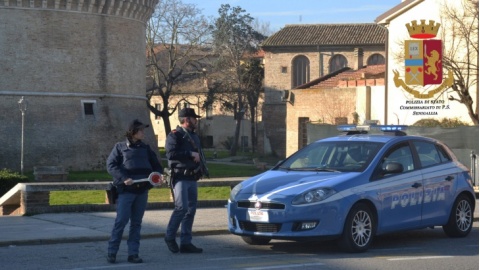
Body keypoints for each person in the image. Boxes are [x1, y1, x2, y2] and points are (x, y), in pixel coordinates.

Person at [106, 119, 163, 264]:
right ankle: (112, 252)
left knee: (136, 223)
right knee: (121, 221)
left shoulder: (146, 148)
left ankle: (133, 254)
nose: (143, 133)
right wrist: (124, 178)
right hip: (126, 191)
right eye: (141, 130)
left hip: (142, 191)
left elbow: (157, 166)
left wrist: (157, 177)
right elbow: (111, 165)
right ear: (133, 132)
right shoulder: (119, 147)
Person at [164, 107, 205, 253]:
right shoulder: (175, 135)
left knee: (191, 210)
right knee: (181, 208)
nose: (196, 121)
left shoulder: (194, 136)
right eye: (194, 119)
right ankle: (169, 236)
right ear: (187, 120)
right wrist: (189, 153)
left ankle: (186, 242)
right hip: (180, 176)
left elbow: (199, 155)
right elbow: (171, 154)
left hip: (192, 177)